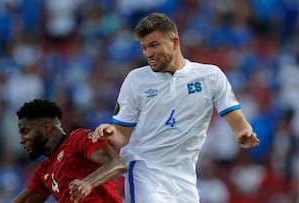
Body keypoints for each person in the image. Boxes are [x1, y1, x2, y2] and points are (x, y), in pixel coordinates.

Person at [91, 12, 260, 203]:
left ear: (175, 42)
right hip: (146, 172)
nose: (148, 54)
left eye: (154, 45)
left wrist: (243, 132)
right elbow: (122, 134)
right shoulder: (136, 80)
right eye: (144, 48)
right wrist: (110, 132)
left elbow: (235, 116)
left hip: (185, 179)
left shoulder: (210, 76)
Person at [12, 99, 127, 203]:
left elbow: (119, 164)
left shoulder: (77, 139)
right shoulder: (43, 171)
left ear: (46, 128)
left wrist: (88, 183)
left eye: (25, 131)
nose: (21, 140)